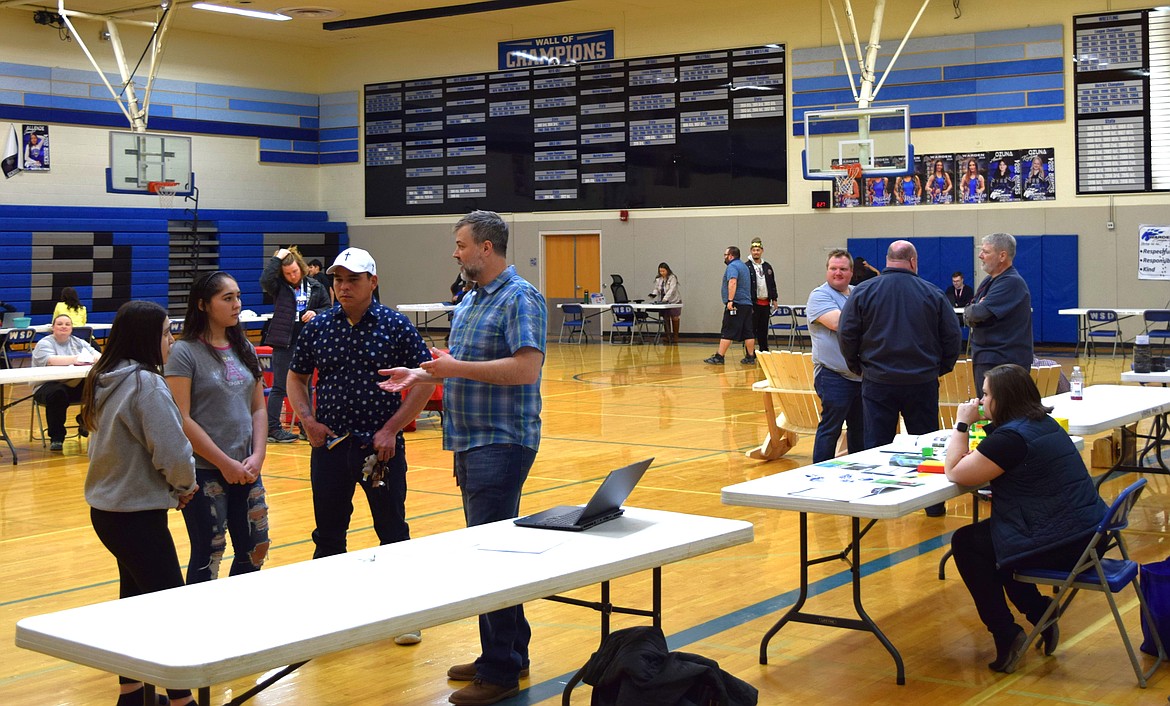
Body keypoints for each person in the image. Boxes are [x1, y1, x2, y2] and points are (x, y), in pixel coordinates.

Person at [379, 210, 547, 706]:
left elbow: (524, 370)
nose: (455, 252)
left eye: (461, 244)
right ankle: (510, 649)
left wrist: (453, 368)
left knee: (491, 559)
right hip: (470, 439)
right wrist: (424, 374)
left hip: (501, 439)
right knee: (493, 552)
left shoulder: (521, 298)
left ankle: (499, 671)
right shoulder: (471, 298)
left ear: (487, 248)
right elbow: (460, 367)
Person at [286, 247, 435, 643]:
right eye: (337, 280)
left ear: (373, 281)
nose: (343, 287)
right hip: (330, 448)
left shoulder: (395, 326)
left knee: (391, 530)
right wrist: (308, 420)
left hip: (380, 450)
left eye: (353, 279)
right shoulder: (319, 327)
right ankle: (330, 615)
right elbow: (296, 377)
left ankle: (403, 615)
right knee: (328, 534)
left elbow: (424, 381)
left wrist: (392, 429)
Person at [945, 364, 1107, 673]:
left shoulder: (1011, 438)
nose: (980, 401)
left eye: (985, 394)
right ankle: (1039, 611)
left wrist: (962, 424)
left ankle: (1006, 632)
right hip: (1089, 533)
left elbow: (955, 472)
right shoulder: (1041, 422)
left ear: (1002, 399)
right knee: (996, 539)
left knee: (968, 543)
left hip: (1066, 542)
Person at [80, 300, 197, 706]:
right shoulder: (147, 383)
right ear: (148, 337)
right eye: (167, 332)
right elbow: (171, 450)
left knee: (133, 603)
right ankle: (182, 701)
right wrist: (184, 486)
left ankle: (130, 694)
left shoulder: (104, 376)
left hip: (109, 513)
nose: (171, 340)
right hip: (135, 516)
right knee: (170, 609)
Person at [838, 240, 962, 516]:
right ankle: (932, 505)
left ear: (887, 260)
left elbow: (846, 334)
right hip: (921, 382)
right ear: (913, 262)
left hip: (878, 380)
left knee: (877, 444)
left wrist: (858, 367)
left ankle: (876, 504)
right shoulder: (932, 293)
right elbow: (953, 337)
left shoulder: (864, 292)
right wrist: (939, 368)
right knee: (925, 445)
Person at [165, 271, 269, 584]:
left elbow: (258, 407)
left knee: (255, 548)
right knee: (209, 551)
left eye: (238, 296)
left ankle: (237, 614)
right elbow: (181, 417)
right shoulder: (184, 353)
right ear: (203, 305)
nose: (237, 304)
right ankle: (199, 622)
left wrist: (258, 455)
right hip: (205, 471)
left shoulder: (245, 348)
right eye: (228, 298)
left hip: (247, 468)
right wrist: (224, 463)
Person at [259, 246, 330, 443]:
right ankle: (272, 428)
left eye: (295, 271)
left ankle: (306, 425)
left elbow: (328, 308)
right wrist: (279, 257)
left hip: (307, 341)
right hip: (284, 341)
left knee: (306, 385)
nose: (292, 276)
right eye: (288, 273)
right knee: (280, 386)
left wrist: (316, 313)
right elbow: (265, 279)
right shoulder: (279, 287)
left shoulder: (315, 286)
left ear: (301, 267)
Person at [806, 249, 863, 462]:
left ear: (851, 272)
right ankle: (819, 474)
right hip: (833, 376)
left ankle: (860, 474)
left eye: (842, 269)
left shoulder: (858, 292)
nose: (837, 273)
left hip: (861, 376)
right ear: (827, 270)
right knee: (831, 429)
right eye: (833, 268)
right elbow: (840, 323)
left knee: (861, 431)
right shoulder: (819, 295)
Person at [965, 233, 1034, 395]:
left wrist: (975, 310)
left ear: (1002, 255)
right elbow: (970, 311)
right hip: (989, 359)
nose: (980, 256)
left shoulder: (1011, 282)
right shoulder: (990, 281)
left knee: (1001, 414)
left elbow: (976, 314)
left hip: (1003, 364)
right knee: (988, 413)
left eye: (986, 252)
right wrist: (974, 310)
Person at [32, 314, 100, 451]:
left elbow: (98, 356)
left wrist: (94, 358)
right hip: (47, 386)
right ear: (53, 327)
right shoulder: (44, 343)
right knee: (58, 393)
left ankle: (85, 418)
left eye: (67, 324)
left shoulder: (78, 342)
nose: (64, 326)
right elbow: (51, 360)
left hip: (73, 384)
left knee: (101, 385)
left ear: (71, 328)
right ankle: (57, 438)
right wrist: (77, 359)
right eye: (60, 324)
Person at [704, 245, 756, 365]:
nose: (725, 257)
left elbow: (732, 282)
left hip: (736, 303)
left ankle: (719, 356)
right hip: (747, 304)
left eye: (725, 255)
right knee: (748, 331)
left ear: (731, 256)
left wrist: (730, 300)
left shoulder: (732, 266)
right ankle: (750, 356)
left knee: (727, 330)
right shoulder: (744, 266)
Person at [745, 238, 778, 352]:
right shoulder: (746, 267)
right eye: (754, 250)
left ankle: (764, 350)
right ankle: (750, 352)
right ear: (750, 251)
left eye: (758, 250)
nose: (756, 252)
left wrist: (774, 299)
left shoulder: (767, 266)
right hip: (753, 303)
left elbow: (772, 283)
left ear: (762, 251)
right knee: (751, 329)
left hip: (765, 303)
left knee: (763, 329)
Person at [648, 261, 682, 343]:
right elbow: (656, 289)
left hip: (674, 301)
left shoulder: (672, 278)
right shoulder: (658, 279)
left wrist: (665, 299)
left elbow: (672, 290)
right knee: (666, 318)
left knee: (675, 318)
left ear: (667, 270)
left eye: (663, 271)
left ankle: (675, 336)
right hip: (663, 302)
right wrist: (653, 294)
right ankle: (668, 336)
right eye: (660, 271)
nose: (662, 273)